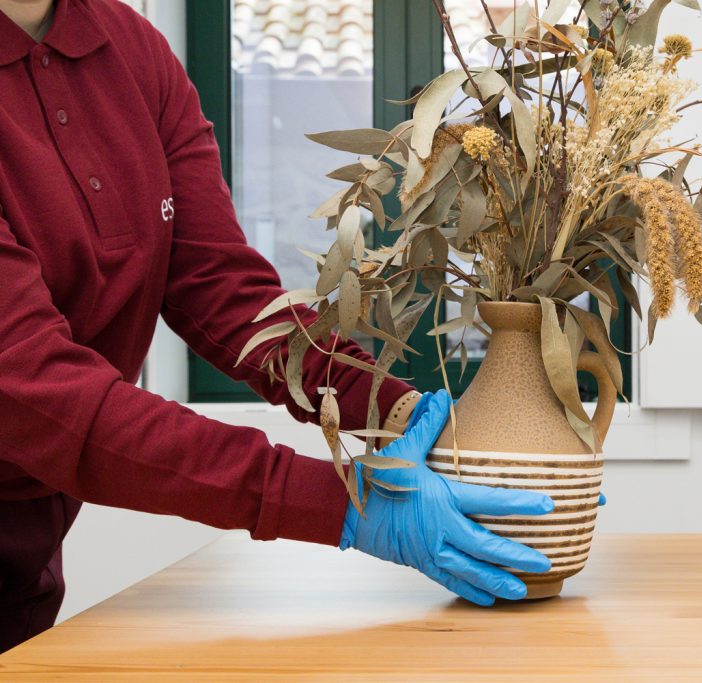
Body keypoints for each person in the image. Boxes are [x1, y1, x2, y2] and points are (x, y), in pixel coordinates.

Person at [0, 0, 554, 654]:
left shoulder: (132, 51)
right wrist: (342, 504)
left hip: (31, 539)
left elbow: (218, 289)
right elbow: (44, 394)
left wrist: (393, 408)